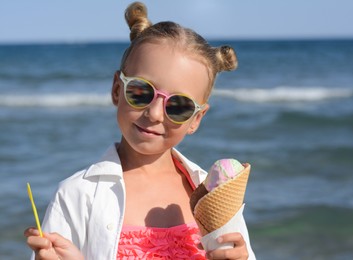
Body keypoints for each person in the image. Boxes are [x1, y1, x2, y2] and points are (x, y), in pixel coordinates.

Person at [25, 2, 256, 259]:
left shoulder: (212, 193)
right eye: (141, 92)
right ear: (117, 89)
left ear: (196, 119)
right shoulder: (76, 196)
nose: (155, 114)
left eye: (178, 106)